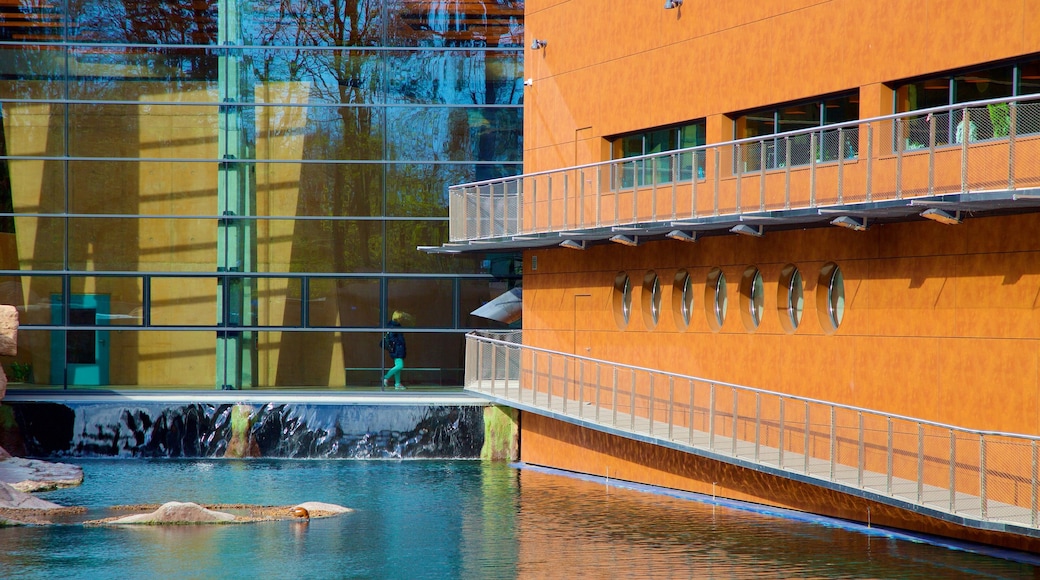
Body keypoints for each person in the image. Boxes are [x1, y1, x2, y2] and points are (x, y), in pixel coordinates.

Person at [382, 311, 407, 390]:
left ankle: (397, 383)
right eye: (401, 317)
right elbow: (393, 338)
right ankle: (386, 377)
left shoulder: (394, 325)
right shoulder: (394, 326)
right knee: (400, 366)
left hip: (397, 349)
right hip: (397, 349)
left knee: (397, 367)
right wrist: (399, 344)